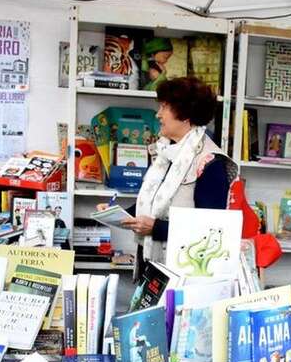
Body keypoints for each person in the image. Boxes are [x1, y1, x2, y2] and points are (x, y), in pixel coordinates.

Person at [97, 76, 237, 277]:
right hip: (151, 266)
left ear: (185, 114)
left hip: (182, 273)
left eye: (164, 107)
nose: (158, 114)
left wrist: (156, 228)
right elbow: (154, 204)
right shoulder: (167, 152)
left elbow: (210, 230)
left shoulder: (209, 162)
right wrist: (118, 214)